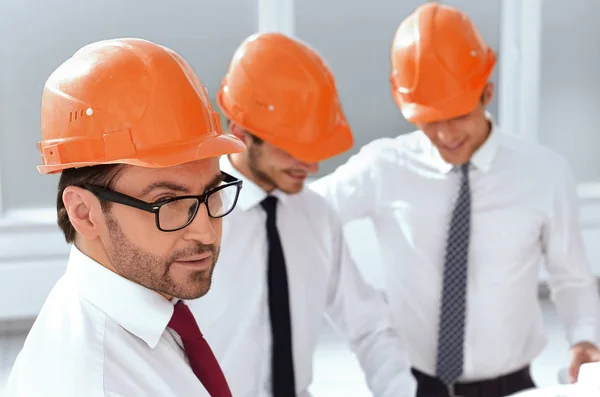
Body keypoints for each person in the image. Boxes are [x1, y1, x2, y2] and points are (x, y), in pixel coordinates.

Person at [310, 3, 600, 397]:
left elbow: (571, 278)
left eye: (458, 114)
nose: (445, 134)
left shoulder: (545, 174)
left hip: (512, 385)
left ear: (487, 93)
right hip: (413, 385)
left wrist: (585, 338)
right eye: (430, 119)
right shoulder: (383, 166)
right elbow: (303, 211)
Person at [5, 38, 247, 397]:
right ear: (84, 213)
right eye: (167, 201)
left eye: (211, 192)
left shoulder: (155, 299)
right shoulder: (93, 381)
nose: (206, 231)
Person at [187, 32, 417, 397]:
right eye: (293, 149)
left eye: (315, 148)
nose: (310, 166)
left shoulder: (318, 217)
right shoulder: (188, 220)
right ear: (241, 133)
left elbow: (370, 327)